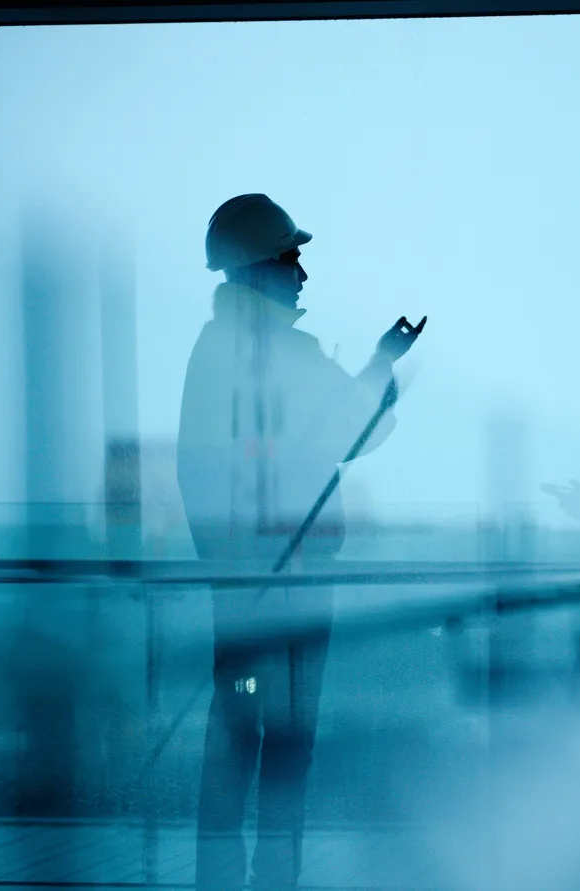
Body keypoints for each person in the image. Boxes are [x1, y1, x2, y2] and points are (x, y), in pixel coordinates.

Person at [177, 193, 423, 891]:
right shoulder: (287, 352)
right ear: (261, 268)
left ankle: (217, 879)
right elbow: (362, 430)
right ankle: (273, 878)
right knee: (284, 743)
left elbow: (197, 470)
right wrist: (381, 363)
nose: (302, 275)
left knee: (234, 739)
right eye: (292, 259)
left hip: (240, 580)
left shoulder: (212, 351)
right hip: (297, 580)